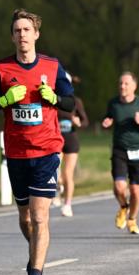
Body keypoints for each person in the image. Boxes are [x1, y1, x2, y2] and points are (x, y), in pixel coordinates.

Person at [0, 8, 75, 275]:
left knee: (39, 215)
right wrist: (5, 99)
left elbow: (70, 102)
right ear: (12, 36)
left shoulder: (52, 66)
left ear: (36, 34)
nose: (22, 35)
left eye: (27, 30)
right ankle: (36, 250)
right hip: (17, 152)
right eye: (17, 30)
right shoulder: (1, 69)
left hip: (47, 150)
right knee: (25, 219)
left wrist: (54, 98)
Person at [102, 72, 139, 235]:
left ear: (134, 86)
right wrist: (107, 122)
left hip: (138, 150)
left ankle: (132, 219)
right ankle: (124, 207)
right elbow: (109, 117)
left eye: (126, 83)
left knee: (135, 190)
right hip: (120, 149)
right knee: (119, 187)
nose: (122, 86)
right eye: (120, 83)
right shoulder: (113, 103)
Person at [55, 75, 89, 217]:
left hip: (71, 141)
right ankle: (58, 189)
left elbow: (85, 122)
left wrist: (78, 122)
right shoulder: (53, 99)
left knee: (67, 174)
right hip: (55, 140)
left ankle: (67, 204)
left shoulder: (76, 101)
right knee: (55, 172)